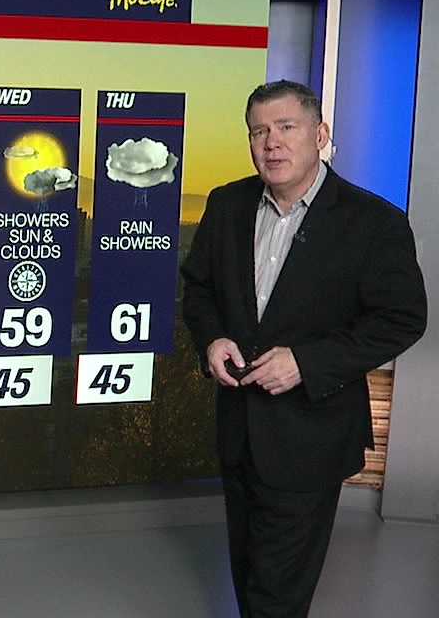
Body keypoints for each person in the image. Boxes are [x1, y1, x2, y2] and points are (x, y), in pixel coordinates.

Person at [180, 79, 427, 617]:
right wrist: (212, 338)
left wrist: (305, 363)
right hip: (238, 431)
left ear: (320, 135)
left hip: (310, 437)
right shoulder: (226, 205)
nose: (271, 142)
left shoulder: (374, 222)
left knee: (276, 593)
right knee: (249, 573)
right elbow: (198, 288)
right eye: (258, 131)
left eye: (286, 127)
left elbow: (403, 319)